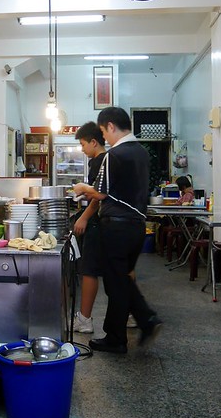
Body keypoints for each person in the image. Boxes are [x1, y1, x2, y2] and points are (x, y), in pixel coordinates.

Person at [74, 107, 163, 354]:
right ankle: (117, 336)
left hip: (117, 226)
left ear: (110, 127)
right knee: (119, 279)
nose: (105, 137)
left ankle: (143, 321)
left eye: (103, 131)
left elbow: (100, 193)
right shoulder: (143, 153)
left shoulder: (116, 154)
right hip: (137, 226)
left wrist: (82, 187)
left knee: (118, 282)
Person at [70, 121, 107, 334]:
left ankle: (84, 320)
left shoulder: (98, 161)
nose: (82, 150)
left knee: (89, 270)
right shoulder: (108, 160)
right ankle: (130, 313)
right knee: (118, 271)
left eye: (83, 145)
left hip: (97, 223)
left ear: (94, 142)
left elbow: (98, 197)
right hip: (110, 224)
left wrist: (83, 218)